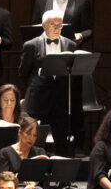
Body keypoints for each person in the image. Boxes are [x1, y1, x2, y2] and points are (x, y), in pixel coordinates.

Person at [20, 10, 79, 157]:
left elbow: (74, 73)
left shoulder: (70, 45)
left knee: (62, 141)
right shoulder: (31, 45)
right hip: (38, 99)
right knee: (35, 140)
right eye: (53, 24)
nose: (58, 28)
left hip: (61, 99)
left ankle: (62, 170)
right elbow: (23, 73)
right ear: (44, 25)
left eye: (60, 25)